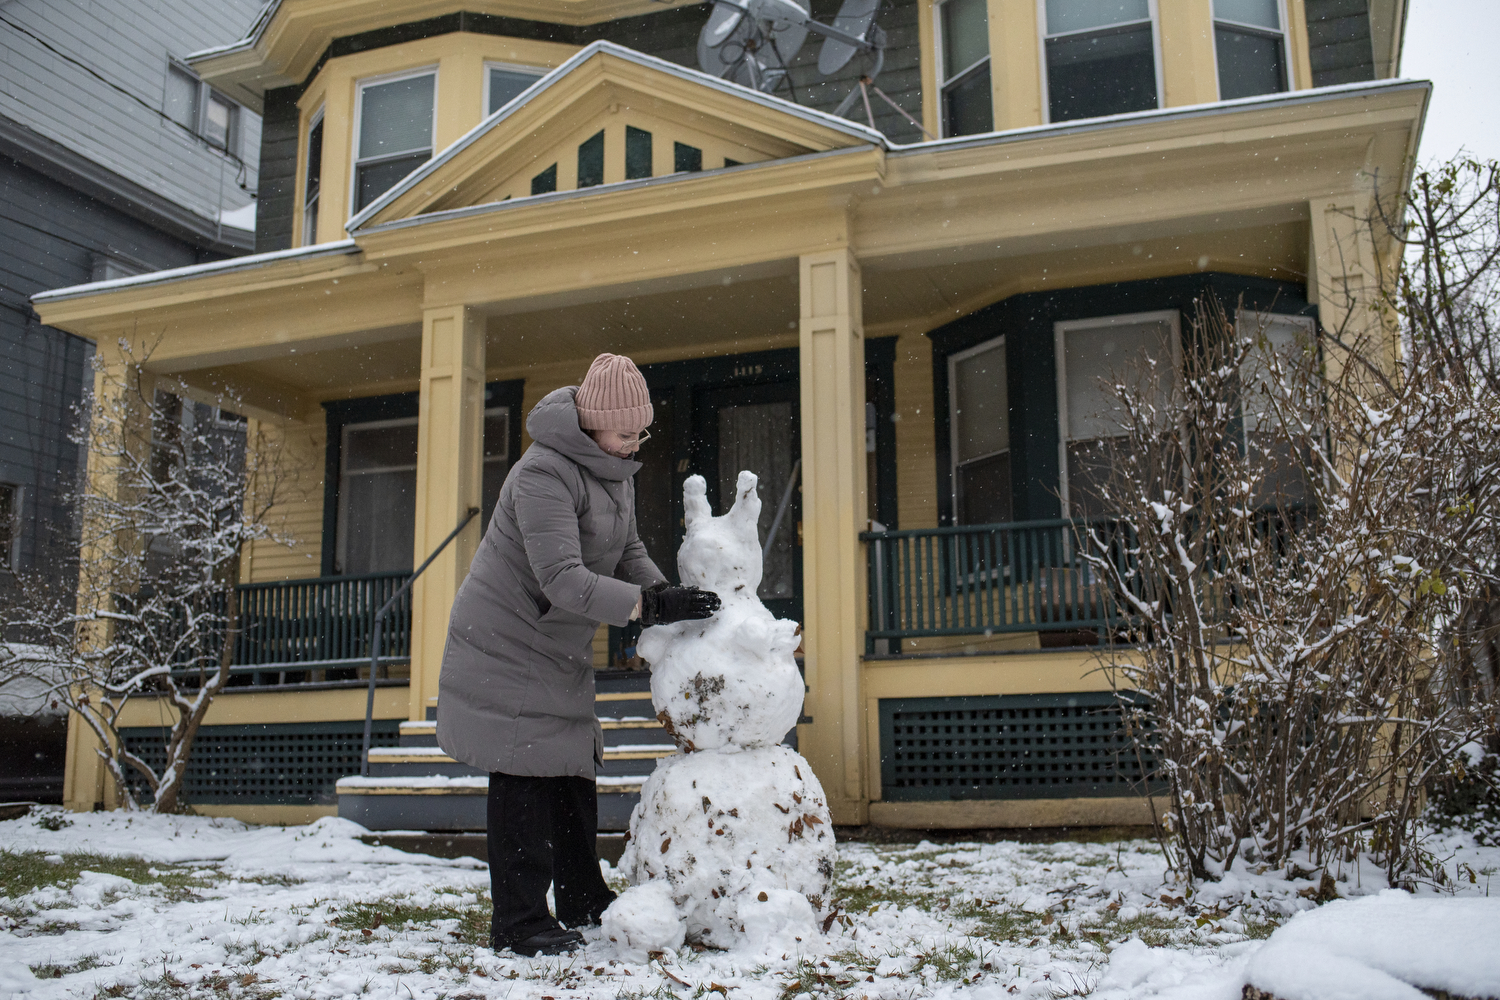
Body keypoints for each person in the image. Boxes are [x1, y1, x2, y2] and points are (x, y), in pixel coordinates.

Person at [438, 353, 720, 957]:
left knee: (571, 769)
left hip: (555, 641)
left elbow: (628, 551)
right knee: (523, 777)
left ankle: (582, 897)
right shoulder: (543, 474)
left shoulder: (614, 470)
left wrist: (668, 596)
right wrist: (650, 607)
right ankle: (517, 923)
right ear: (592, 423)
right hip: (506, 639)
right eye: (624, 432)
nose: (633, 443)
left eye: (640, 432)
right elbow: (562, 578)